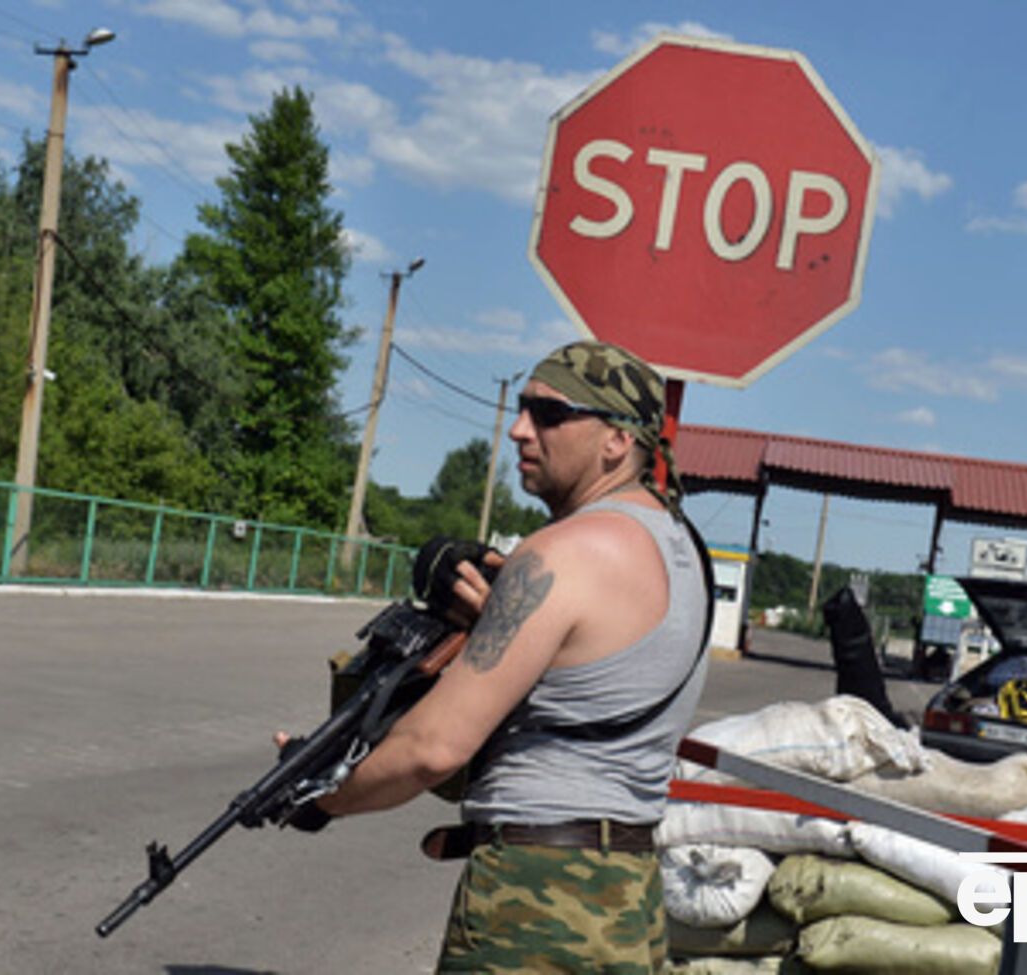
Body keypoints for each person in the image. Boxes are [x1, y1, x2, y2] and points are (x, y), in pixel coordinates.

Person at [279, 340, 710, 973]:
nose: (517, 429)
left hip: (536, 903)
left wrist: (319, 795)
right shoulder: (684, 549)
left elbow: (434, 747)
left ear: (616, 441)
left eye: (548, 413)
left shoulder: (563, 552)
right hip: (629, 898)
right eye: (522, 409)